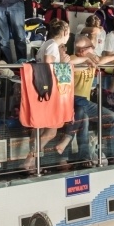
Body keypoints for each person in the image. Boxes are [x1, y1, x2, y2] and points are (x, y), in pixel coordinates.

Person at [70, 34, 114, 166]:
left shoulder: (92, 59)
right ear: (82, 50)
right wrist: (113, 55)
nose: (94, 49)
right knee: (85, 119)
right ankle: (84, 159)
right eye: (91, 47)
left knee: (112, 118)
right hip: (73, 102)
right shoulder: (73, 58)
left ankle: (113, 155)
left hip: (85, 103)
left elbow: (109, 62)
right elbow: (72, 62)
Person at [24, 19, 72, 173]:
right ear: (65, 32)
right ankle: (29, 161)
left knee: (40, 130)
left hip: (45, 92)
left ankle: (32, 163)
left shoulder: (47, 44)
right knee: (51, 132)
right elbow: (49, 68)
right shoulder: (52, 46)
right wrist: (64, 63)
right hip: (51, 94)